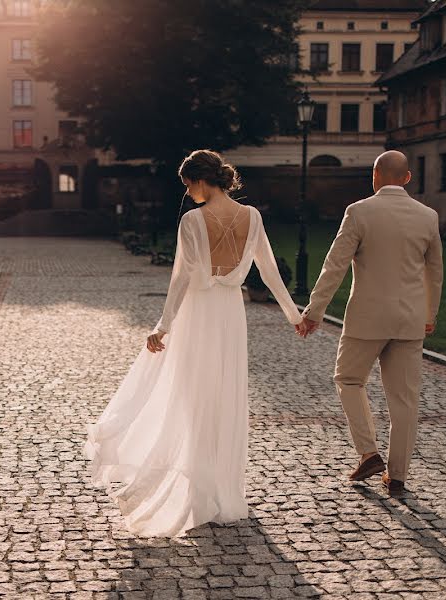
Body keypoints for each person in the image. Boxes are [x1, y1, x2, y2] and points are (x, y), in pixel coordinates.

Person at [84, 149, 303, 537]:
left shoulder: (192, 221)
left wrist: (163, 326)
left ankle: (200, 493)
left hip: (197, 317)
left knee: (190, 400)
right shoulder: (252, 218)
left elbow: (181, 279)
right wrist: (293, 316)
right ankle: (222, 494)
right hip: (230, 317)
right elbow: (269, 271)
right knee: (224, 400)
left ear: (201, 180)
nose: (188, 192)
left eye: (188, 184)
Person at [297, 150, 444, 497]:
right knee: (405, 400)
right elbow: (434, 273)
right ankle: (398, 476)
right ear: (407, 178)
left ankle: (368, 452)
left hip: (366, 317)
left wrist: (314, 311)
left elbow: (334, 265)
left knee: (348, 379)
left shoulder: (359, 212)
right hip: (409, 319)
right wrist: (429, 314)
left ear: (375, 176)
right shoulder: (428, 216)